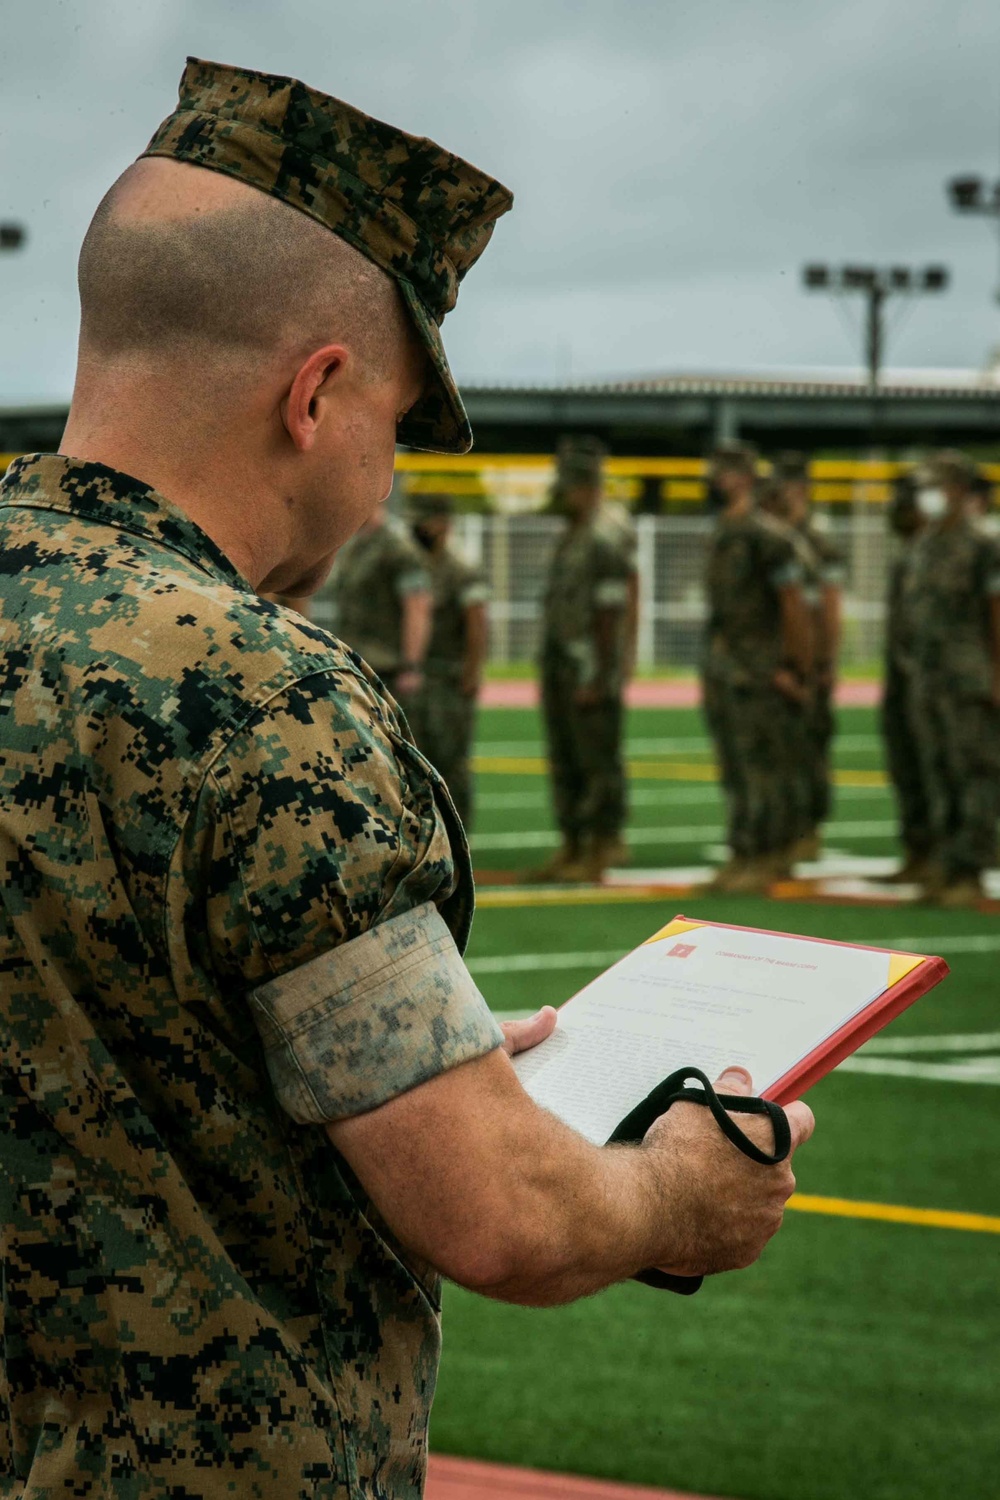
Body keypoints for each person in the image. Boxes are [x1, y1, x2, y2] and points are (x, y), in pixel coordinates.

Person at [0, 59, 814, 1499]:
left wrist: (410, 1058)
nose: (383, 485)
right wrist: (687, 1187)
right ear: (317, 395)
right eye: (393, 427)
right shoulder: (264, 695)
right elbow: (501, 1214)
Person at [701, 444, 812, 894]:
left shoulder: (769, 535)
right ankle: (744, 852)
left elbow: (794, 604)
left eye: (722, 472)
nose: (713, 480)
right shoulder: (726, 530)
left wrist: (794, 667)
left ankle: (767, 857)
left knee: (763, 767)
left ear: (745, 477)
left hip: (762, 670)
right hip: (730, 668)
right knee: (737, 766)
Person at [532, 437, 634, 881]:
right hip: (561, 663)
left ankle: (601, 843)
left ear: (587, 487)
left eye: (569, 487)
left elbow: (610, 615)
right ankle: (572, 843)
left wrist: (602, 674)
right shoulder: (571, 536)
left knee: (596, 756)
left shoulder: (603, 539)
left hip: (588, 667)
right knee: (566, 756)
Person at [908, 451, 1000, 906]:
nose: (927, 496)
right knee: (936, 771)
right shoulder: (926, 542)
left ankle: (970, 870)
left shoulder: (984, 544)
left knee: (974, 773)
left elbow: (996, 614)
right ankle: (943, 865)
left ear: (960, 491)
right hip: (929, 678)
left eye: (936, 486)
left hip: (969, 677)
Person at [775, 452, 845, 861]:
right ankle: (786, 827)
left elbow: (830, 605)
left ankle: (808, 828)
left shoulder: (817, 536)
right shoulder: (778, 534)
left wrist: (825, 662)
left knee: (809, 748)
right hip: (781, 660)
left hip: (811, 661)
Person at [406, 491, 490, 826]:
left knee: (451, 761)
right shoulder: (414, 564)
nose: (419, 526)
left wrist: (471, 673)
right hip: (419, 680)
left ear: (443, 524)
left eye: (425, 518)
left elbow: (476, 624)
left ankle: (458, 837)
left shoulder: (461, 569)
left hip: (449, 679)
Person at [878, 471, 935, 883]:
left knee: (946, 768)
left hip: (943, 677)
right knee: (907, 764)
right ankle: (919, 853)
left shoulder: (962, 549)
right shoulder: (909, 554)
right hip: (905, 676)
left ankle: (952, 861)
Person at [325, 498, 432, 703]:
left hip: (385, 670)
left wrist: (411, 666)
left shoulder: (397, 549)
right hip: (354, 663)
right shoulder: (356, 544)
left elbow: (417, 607)